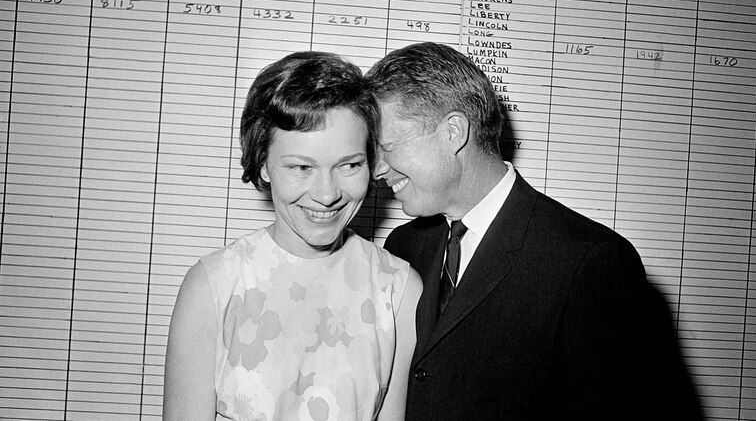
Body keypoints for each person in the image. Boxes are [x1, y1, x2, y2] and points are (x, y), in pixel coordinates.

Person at [365, 42, 702, 420]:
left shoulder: (590, 262)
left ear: (453, 131)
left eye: (387, 147)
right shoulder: (404, 246)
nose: (376, 170)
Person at [164, 52, 422, 421]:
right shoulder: (213, 285)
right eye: (302, 167)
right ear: (264, 165)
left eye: (349, 165)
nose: (327, 193)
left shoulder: (398, 290)